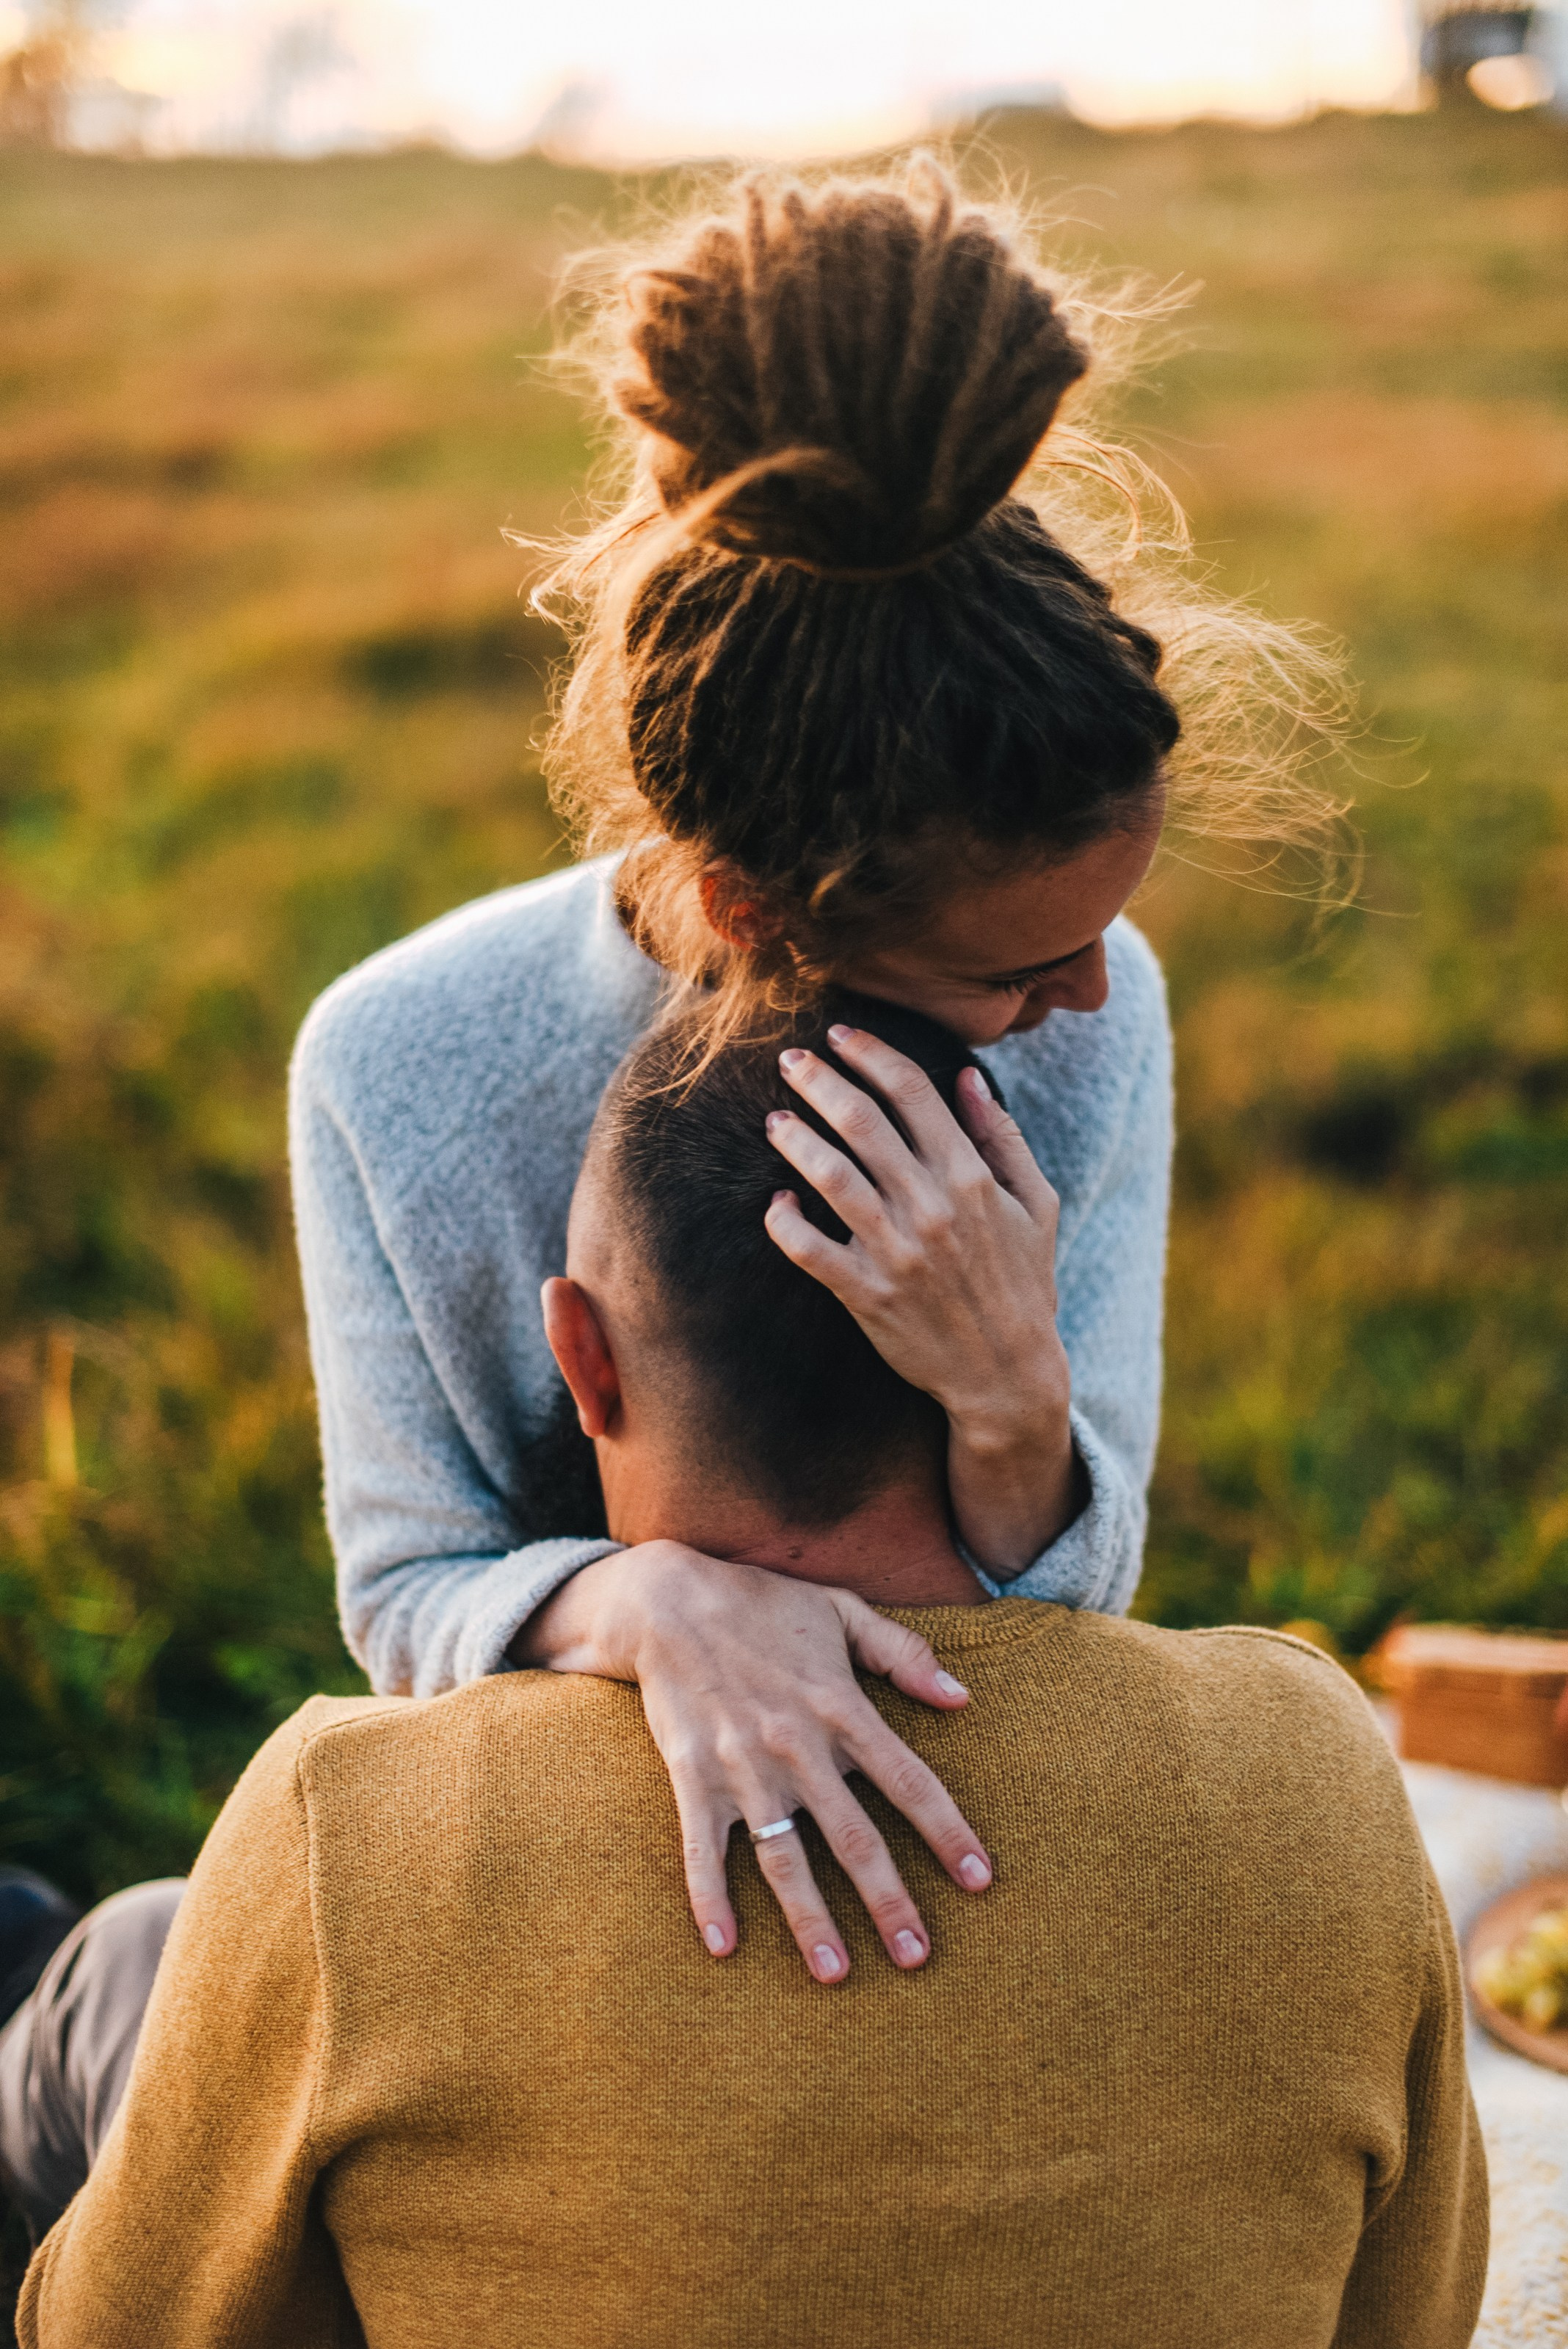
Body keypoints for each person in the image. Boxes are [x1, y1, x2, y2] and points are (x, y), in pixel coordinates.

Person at [13, 1001, 1482, 2347]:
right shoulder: (1317, 1765)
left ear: (581, 1358)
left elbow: (105, 2332)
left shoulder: (346, 1827)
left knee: (130, 1962)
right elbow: (1411, 2316)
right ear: (1018, 1330)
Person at [288, 160, 1346, 1971]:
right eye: (1013, 969)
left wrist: (1018, 1408)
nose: (1094, 1000)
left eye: (1105, 931)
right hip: (564, 1859)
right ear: (749, 904)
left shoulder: (1103, 1028)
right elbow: (406, 1591)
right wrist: (656, 1606)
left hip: (969, 1820)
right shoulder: (401, 1063)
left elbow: (1088, 1595)